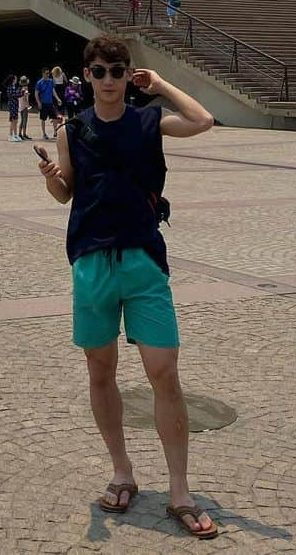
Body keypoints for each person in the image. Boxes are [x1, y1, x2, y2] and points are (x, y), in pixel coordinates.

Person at [36, 35, 218, 539]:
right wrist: (52, 177)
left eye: (117, 71)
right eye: (99, 72)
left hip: (142, 260)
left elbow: (203, 121)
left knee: (164, 371)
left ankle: (179, 490)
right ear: (86, 77)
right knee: (100, 370)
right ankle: (122, 471)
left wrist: (159, 84)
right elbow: (64, 193)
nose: (110, 80)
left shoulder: (147, 120)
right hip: (92, 261)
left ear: (127, 74)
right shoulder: (72, 131)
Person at [35, 66, 60, 139]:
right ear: (43, 73)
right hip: (43, 103)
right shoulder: (39, 83)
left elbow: (53, 91)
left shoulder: (50, 81)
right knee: (43, 119)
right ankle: (44, 134)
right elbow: (36, 93)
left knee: (55, 118)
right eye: (46, 73)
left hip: (50, 103)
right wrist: (38, 102)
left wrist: (58, 98)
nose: (48, 75)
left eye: (48, 73)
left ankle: (55, 132)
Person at [4, 73, 20, 142]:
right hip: (12, 105)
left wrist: (20, 92)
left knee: (16, 120)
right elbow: (13, 95)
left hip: (15, 105)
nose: (17, 80)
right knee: (13, 120)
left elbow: (16, 94)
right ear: (13, 80)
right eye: (16, 79)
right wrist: (22, 93)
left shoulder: (14, 86)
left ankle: (15, 135)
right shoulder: (10, 87)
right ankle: (10, 136)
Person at [17, 75, 32, 139]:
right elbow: (25, 98)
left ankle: (20, 133)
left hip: (20, 105)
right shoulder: (25, 88)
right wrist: (28, 106)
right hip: (24, 106)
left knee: (22, 120)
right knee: (24, 121)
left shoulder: (20, 88)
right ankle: (23, 134)